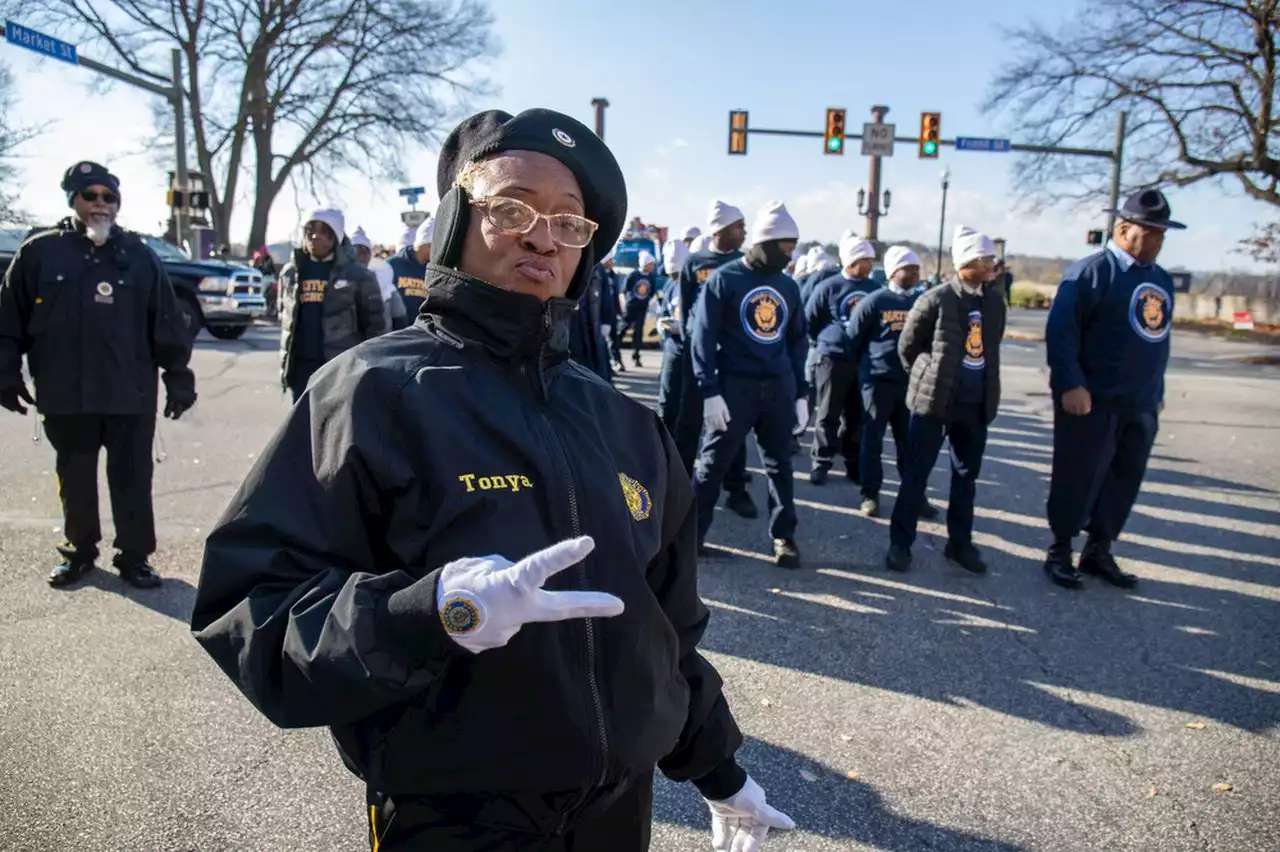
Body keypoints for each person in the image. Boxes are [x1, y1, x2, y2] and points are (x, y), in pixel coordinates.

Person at [190, 107, 792, 852]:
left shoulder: (625, 425)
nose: (542, 235)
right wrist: (426, 614)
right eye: (512, 208)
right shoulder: (370, 394)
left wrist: (719, 768)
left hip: (615, 813)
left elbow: (663, 630)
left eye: (569, 223)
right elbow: (252, 611)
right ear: (452, 221)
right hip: (453, 816)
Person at [0, 161, 196, 588]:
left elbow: (166, 322)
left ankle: (135, 555)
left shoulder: (139, 256)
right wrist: (6, 373)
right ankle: (80, 551)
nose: (100, 205)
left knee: (132, 478)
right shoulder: (39, 253)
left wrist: (179, 377)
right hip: (65, 393)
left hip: (130, 393)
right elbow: (8, 321)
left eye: (109, 197)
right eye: (91, 196)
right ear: (73, 200)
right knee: (74, 478)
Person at [1042, 190, 1183, 589]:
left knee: (1124, 478)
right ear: (1124, 229)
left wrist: (1156, 389)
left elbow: (1158, 339)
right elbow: (1061, 334)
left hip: (1140, 401)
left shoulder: (1159, 279)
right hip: (1091, 401)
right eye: (1152, 232)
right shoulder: (1090, 273)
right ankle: (1060, 548)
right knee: (1079, 475)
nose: (1158, 241)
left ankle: (1098, 549)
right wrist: (1070, 384)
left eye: (1162, 234)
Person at [691, 202, 808, 568]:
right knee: (712, 465)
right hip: (733, 387)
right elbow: (703, 337)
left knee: (780, 465)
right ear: (764, 243)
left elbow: (797, 340)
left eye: (793, 248)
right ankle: (689, 538)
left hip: (777, 386)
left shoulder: (787, 286)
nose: (789, 255)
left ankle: (783, 536)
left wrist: (801, 392)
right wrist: (708, 390)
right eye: (784, 248)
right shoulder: (725, 280)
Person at [886, 225, 1005, 574]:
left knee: (966, 479)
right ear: (966, 261)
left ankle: (960, 544)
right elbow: (907, 347)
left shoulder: (994, 303)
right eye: (985, 258)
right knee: (916, 476)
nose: (992, 264)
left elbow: (991, 347)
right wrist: (928, 375)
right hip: (935, 404)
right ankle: (900, 544)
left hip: (975, 405)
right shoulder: (935, 299)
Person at [673, 200, 757, 520]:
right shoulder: (694, 262)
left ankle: (736, 489)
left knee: (732, 425)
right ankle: (678, 485)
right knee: (690, 421)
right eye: (739, 226)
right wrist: (688, 343)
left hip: (731, 356)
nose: (744, 232)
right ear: (721, 230)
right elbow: (685, 306)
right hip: (698, 354)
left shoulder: (746, 263)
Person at [845, 247, 938, 521]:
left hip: (911, 384)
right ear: (893, 271)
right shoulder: (874, 301)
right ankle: (870, 494)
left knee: (909, 444)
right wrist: (870, 367)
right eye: (909, 268)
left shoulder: (924, 302)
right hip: (877, 382)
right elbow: (853, 339)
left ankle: (915, 497)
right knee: (872, 440)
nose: (915, 273)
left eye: (917, 268)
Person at [277, 208, 387, 402]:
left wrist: (371, 369)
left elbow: (376, 325)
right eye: (310, 230)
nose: (314, 236)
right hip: (300, 367)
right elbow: (284, 315)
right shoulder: (290, 273)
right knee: (301, 428)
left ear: (336, 236)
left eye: (323, 231)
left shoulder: (358, 275)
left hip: (339, 368)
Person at [805, 235, 879, 485]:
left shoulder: (874, 289)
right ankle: (821, 462)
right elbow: (810, 320)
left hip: (862, 360)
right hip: (832, 358)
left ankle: (853, 462)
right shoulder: (829, 286)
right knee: (828, 413)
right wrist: (827, 342)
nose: (870, 264)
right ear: (852, 261)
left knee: (857, 415)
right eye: (865, 259)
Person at [656, 238, 690, 431]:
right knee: (667, 400)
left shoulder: (694, 285)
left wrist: (684, 326)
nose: (675, 278)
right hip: (672, 348)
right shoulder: (670, 286)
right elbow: (665, 311)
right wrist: (663, 323)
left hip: (689, 350)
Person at [352, 226, 406, 333]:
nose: (361, 257)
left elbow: (400, 318)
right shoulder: (338, 278)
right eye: (356, 251)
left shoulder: (383, 276)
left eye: (365, 252)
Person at [387, 218, 433, 329]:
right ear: (428, 244)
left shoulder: (433, 268)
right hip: (397, 333)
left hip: (423, 332)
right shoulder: (392, 265)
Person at [620, 250, 657, 367]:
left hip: (642, 308)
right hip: (631, 308)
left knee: (638, 332)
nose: (652, 266)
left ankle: (636, 356)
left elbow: (652, 291)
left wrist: (647, 301)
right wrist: (628, 301)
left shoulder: (651, 277)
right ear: (645, 264)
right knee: (622, 329)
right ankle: (614, 348)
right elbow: (625, 289)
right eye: (651, 264)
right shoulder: (634, 275)